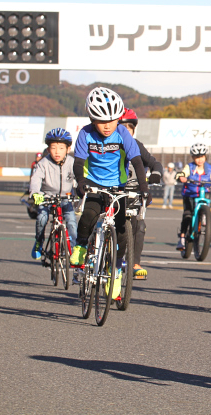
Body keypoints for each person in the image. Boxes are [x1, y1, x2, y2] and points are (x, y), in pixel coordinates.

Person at [70, 87, 149, 301]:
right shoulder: (85, 134)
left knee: (123, 232)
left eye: (112, 120)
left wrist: (143, 187)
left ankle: (115, 272)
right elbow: (78, 162)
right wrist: (81, 181)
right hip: (94, 184)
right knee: (88, 215)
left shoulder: (122, 133)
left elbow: (137, 161)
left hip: (118, 187)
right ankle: (81, 246)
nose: (107, 126)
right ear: (92, 119)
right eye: (101, 121)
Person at [119, 108, 163, 280]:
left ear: (133, 130)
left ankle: (135, 263)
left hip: (135, 192)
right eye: (120, 127)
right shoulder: (108, 146)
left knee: (140, 225)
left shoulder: (137, 145)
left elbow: (154, 163)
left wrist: (156, 174)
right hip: (115, 192)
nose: (124, 131)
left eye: (128, 128)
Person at [28, 128, 77, 262]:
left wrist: (80, 192)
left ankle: (74, 251)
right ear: (48, 149)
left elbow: (79, 178)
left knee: (72, 223)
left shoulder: (72, 162)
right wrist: (35, 193)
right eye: (53, 147)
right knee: (42, 219)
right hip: (46, 198)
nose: (57, 151)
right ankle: (38, 243)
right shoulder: (43, 163)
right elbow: (35, 179)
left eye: (61, 148)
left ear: (68, 149)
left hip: (66, 199)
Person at [176, 143, 211, 251]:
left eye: (202, 157)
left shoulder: (209, 169)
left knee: (207, 204)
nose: (200, 159)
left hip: (204, 194)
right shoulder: (189, 167)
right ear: (193, 157)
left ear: (205, 157)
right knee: (187, 215)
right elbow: (181, 174)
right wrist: (181, 177)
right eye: (197, 157)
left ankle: (204, 216)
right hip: (190, 195)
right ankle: (182, 237)